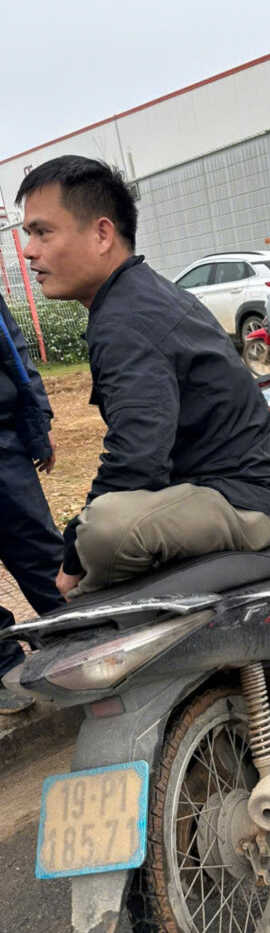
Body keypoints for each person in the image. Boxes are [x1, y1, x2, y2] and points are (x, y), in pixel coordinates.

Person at [16, 155, 270, 598]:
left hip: (238, 499)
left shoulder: (126, 319)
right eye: (28, 234)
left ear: (102, 234)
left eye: (42, 232)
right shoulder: (137, 294)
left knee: (101, 529)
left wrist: (72, 558)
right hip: (218, 486)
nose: (29, 250)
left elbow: (138, 458)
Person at [0, 297, 64, 714]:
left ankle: (73, 640)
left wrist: (38, 420)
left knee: (41, 551)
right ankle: (4, 666)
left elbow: (12, 345)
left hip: (3, 442)